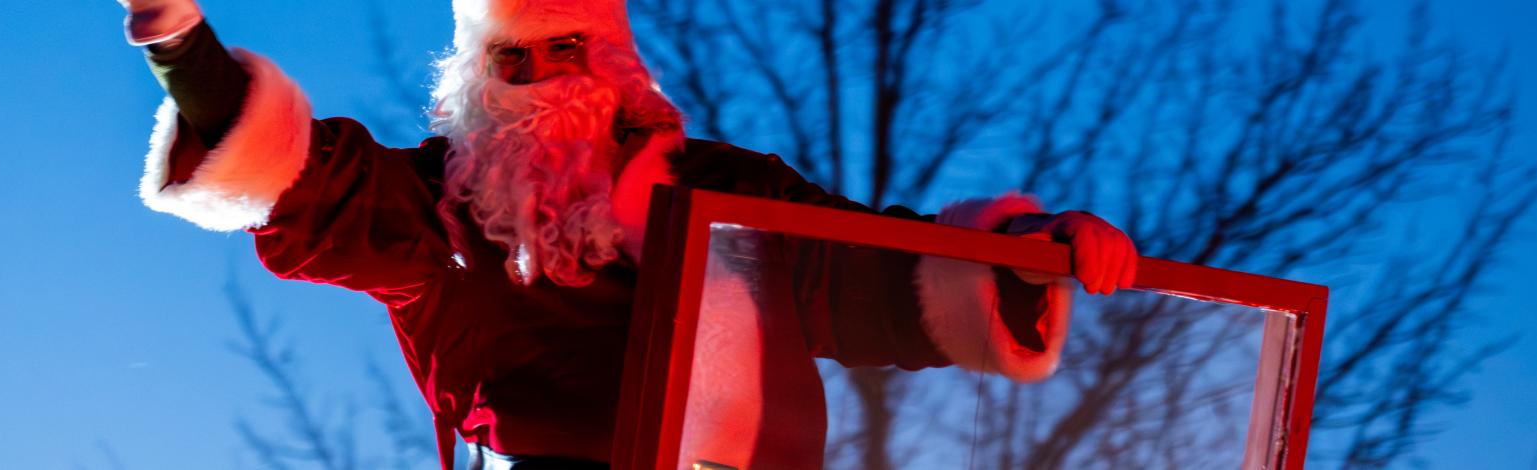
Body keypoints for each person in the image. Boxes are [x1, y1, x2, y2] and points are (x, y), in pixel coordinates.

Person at [114, 0, 1139, 468]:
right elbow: (294, 173)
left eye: (570, 51)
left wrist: (1039, 251)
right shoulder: (438, 211)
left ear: (612, 63)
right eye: (518, 61)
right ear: (480, 80)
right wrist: (181, 43)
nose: (546, 80)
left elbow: (881, 271)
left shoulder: (724, 196)